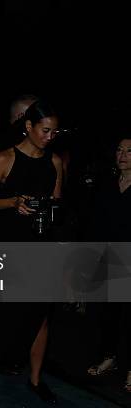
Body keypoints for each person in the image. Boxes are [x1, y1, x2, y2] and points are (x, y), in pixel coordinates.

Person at [0, 99, 63, 404]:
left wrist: (48, 214)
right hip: (5, 244)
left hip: (39, 247)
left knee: (40, 314)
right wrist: (13, 202)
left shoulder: (55, 163)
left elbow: (56, 205)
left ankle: (35, 379)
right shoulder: (5, 159)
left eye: (54, 132)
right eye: (45, 131)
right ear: (28, 127)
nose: (50, 137)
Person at [85, 136, 131, 393]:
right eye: (119, 150)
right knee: (108, 315)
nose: (122, 155)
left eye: (129, 151)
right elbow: (94, 225)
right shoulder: (107, 185)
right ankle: (109, 357)